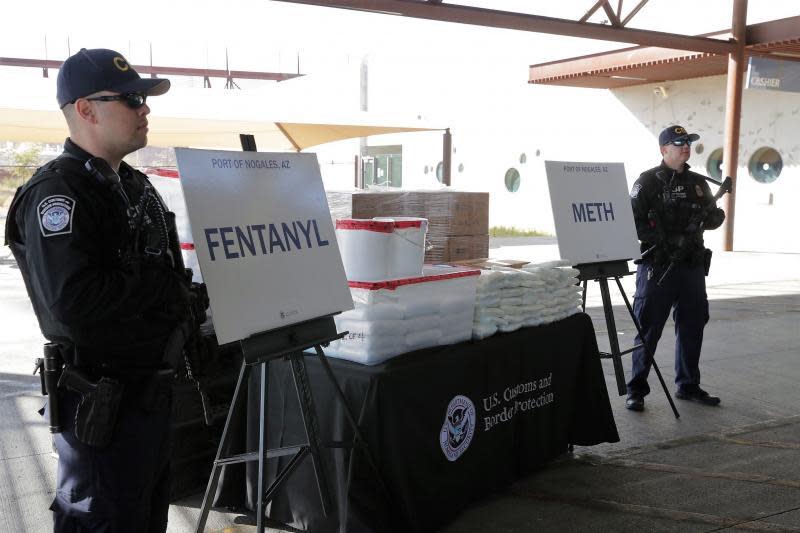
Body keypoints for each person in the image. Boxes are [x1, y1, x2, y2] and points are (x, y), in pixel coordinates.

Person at [4, 48, 200, 532]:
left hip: (150, 398)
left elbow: (165, 270)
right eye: (131, 99)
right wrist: (163, 290)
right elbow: (74, 305)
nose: (144, 109)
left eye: (143, 98)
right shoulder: (60, 195)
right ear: (86, 109)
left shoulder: (132, 185)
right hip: (102, 407)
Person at [625, 125, 726, 412]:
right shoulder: (647, 182)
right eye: (678, 142)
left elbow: (711, 216)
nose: (685, 146)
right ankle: (636, 389)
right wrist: (665, 240)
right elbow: (633, 222)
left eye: (688, 142)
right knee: (648, 328)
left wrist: (714, 217)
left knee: (693, 324)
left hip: (691, 265)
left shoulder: (698, 182)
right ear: (663, 149)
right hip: (659, 266)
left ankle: (688, 385)